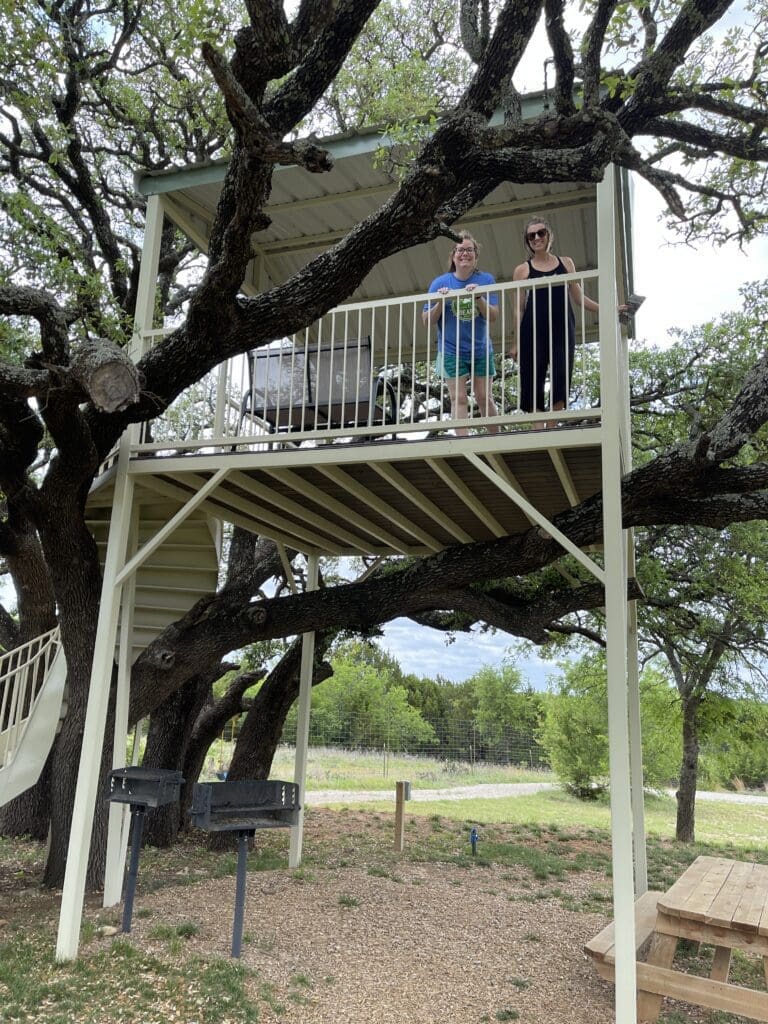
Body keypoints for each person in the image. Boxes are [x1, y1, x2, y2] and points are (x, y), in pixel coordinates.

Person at [512, 215, 600, 425]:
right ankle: (537, 432)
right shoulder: (522, 270)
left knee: (561, 373)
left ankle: (551, 428)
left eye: (540, 233)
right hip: (533, 328)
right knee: (532, 375)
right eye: (531, 235)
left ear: (549, 235)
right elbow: (518, 308)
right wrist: (516, 343)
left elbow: (579, 298)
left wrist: (609, 309)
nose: (536, 238)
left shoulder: (566, 263)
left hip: (561, 326)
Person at [422, 231, 500, 434]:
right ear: (453, 256)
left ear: (476, 255)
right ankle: (462, 444)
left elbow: (493, 315)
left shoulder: (486, 279)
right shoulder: (440, 283)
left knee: (484, 396)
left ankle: (496, 440)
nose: (464, 253)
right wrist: (440, 301)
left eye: (469, 250)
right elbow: (426, 320)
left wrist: (478, 298)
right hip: (450, 350)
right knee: (459, 397)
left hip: (480, 349)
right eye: (460, 250)